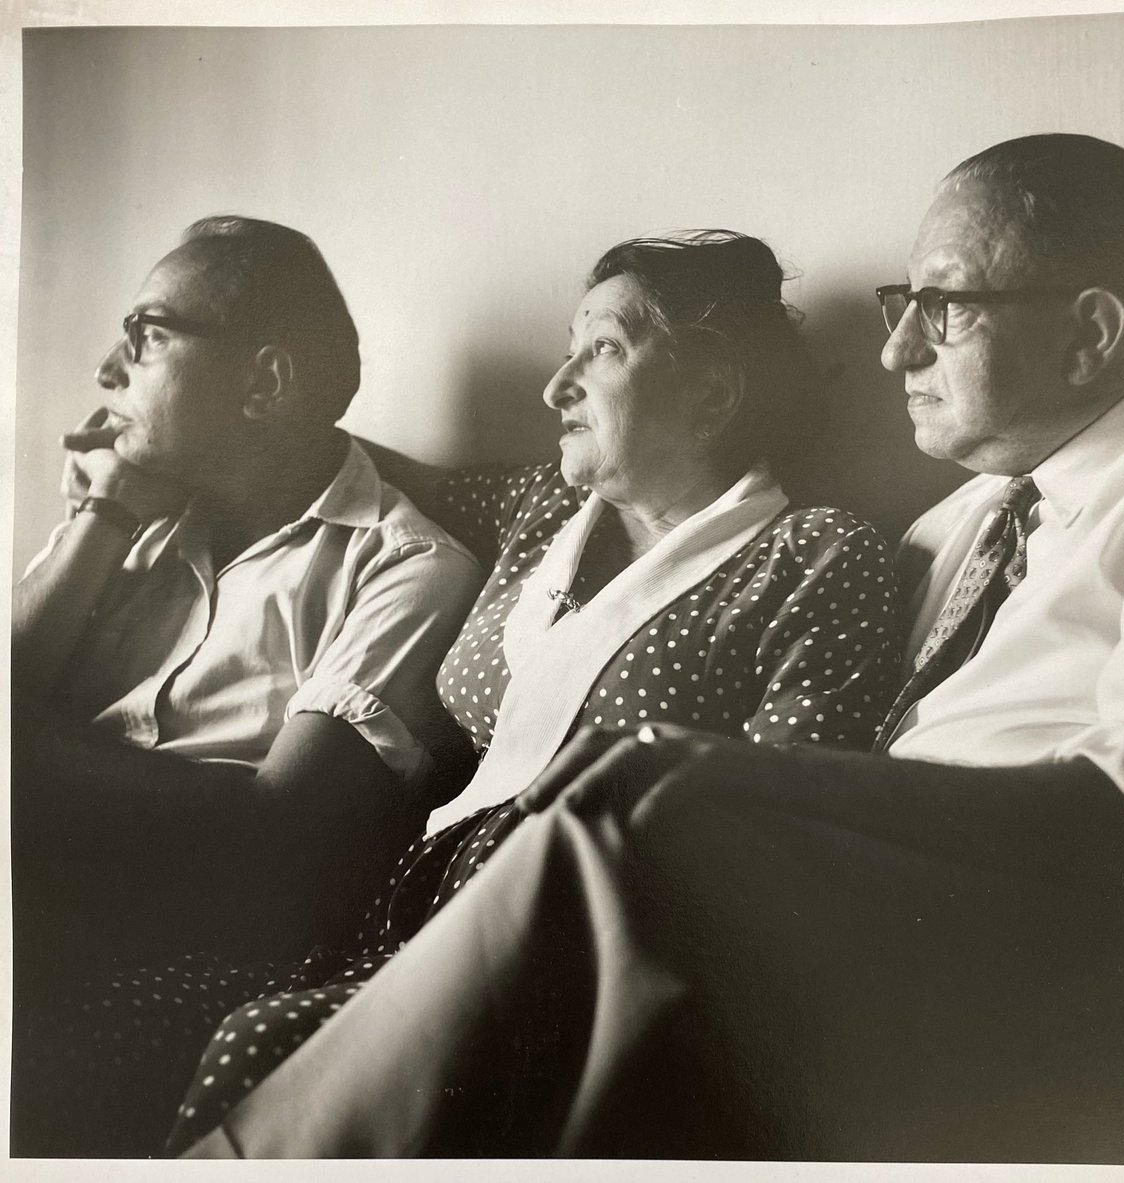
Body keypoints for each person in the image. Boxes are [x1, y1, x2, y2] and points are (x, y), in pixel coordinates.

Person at [179, 134, 1124, 1164]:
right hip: (849, 914)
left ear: (1091, 332)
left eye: (945, 307)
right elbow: (401, 480)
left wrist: (721, 782)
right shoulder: (960, 525)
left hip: (1031, 937)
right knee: (290, 1011)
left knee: (607, 810)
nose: (897, 352)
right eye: (898, 306)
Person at [11, 229, 899, 1158]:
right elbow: (324, 460)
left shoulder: (817, 554)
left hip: (575, 950)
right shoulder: (541, 511)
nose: (557, 387)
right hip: (401, 927)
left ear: (713, 391)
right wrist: (150, 452)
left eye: (600, 350)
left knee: (253, 1047)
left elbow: (788, 824)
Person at [10, 216, 484, 972]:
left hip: (156, 919)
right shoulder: (133, 511)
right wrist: (105, 513)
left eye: (147, 335)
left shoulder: (407, 565)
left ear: (263, 383)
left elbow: (279, 830)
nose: (107, 370)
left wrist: (31, 758)